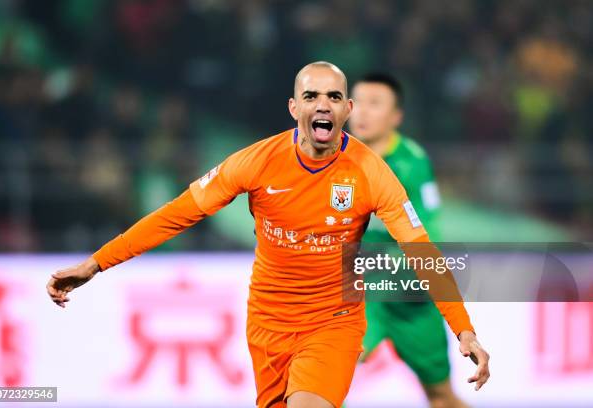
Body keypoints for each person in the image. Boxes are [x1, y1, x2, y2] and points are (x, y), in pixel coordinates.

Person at [46, 62, 490, 408]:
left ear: (346, 111)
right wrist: (96, 263)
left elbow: (420, 249)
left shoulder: (373, 173)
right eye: (311, 96)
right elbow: (176, 214)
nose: (323, 104)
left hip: (333, 321)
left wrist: (463, 328)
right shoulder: (256, 162)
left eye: (334, 96)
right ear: (294, 108)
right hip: (268, 324)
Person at [350, 73, 468, 407]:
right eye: (357, 103)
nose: (362, 113)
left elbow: (427, 238)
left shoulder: (412, 163)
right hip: (359, 293)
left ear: (395, 117)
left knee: (441, 396)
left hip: (410, 298)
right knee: (326, 382)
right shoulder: (332, 157)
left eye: (375, 104)